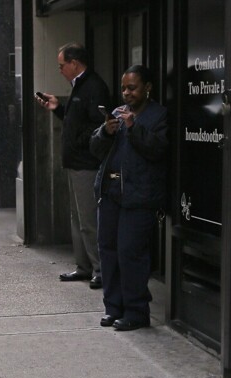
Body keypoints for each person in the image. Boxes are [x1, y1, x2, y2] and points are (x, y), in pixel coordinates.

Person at [89, 64, 168, 331]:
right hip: (111, 193)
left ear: (148, 87)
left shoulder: (158, 116)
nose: (126, 93)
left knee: (130, 253)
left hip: (139, 196)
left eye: (132, 88)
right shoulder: (116, 114)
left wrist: (132, 126)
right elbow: (95, 149)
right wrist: (105, 132)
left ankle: (136, 311)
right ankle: (113, 308)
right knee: (108, 250)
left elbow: (157, 150)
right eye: (123, 88)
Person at [36, 42, 110, 290]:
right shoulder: (80, 86)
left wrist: (79, 142)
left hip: (86, 163)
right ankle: (84, 266)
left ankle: (99, 269)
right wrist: (58, 108)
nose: (59, 70)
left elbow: (96, 125)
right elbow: (77, 118)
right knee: (77, 217)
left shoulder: (94, 87)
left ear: (74, 63)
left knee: (88, 219)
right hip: (75, 162)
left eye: (61, 65)